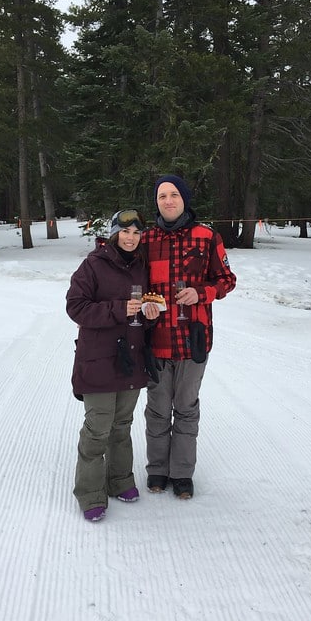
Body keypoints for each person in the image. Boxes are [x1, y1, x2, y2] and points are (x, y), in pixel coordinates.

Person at [141, 175, 237, 499]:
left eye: (174, 195)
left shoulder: (207, 236)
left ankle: (182, 473)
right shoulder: (146, 239)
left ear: (185, 198)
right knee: (156, 409)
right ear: (156, 202)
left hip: (193, 339)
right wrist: (143, 303)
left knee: (185, 407)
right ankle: (157, 469)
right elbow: (133, 284)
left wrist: (202, 293)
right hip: (156, 340)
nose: (167, 200)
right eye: (162, 196)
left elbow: (226, 279)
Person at [66, 209, 160, 522]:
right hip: (98, 360)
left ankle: (120, 480)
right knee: (97, 430)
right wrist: (119, 309)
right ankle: (91, 493)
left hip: (131, 358)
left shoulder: (143, 266)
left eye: (136, 232)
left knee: (121, 426)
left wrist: (149, 315)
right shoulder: (94, 264)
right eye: (125, 231)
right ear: (113, 233)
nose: (131, 238)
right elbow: (76, 307)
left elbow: (145, 310)